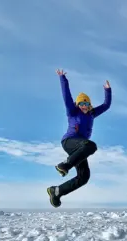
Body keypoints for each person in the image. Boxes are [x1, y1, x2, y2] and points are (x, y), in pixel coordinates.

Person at [47, 69, 112, 207]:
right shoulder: (72, 112)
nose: (84, 106)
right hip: (69, 141)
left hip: (79, 149)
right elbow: (66, 96)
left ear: (90, 105)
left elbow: (106, 105)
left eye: (87, 104)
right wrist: (62, 78)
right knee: (91, 146)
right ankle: (65, 165)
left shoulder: (92, 114)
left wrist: (108, 90)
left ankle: (56, 191)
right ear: (77, 105)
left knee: (84, 177)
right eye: (81, 104)